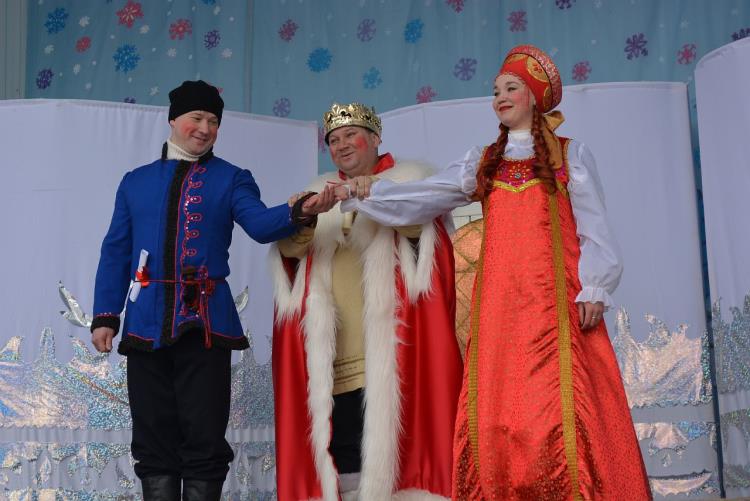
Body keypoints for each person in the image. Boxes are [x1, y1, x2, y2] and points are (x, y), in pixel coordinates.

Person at [336, 47, 652, 500]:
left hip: (556, 303)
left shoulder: (569, 155)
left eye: (511, 88)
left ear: (534, 96)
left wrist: (596, 286)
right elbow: (426, 196)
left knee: (560, 401)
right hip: (500, 305)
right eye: (496, 91)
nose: (500, 97)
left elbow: (593, 227)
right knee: (502, 405)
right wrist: (362, 194)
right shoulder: (484, 160)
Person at [90, 80, 336, 501]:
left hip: (206, 324)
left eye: (213, 122)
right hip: (145, 323)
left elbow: (260, 225)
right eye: (196, 118)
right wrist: (106, 316)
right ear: (174, 120)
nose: (205, 128)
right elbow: (116, 250)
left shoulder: (232, 178)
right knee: (152, 437)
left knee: (204, 438)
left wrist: (300, 210)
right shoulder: (135, 182)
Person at [269, 102, 464, 500]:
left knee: (397, 450)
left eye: (350, 136)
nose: (341, 145)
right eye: (333, 140)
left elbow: (426, 245)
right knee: (343, 457)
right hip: (336, 355)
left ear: (375, 139)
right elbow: (290, 257)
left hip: (396, 352)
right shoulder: (318, 193)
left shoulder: (411, 184)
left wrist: (378, 196)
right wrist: (304, 218)